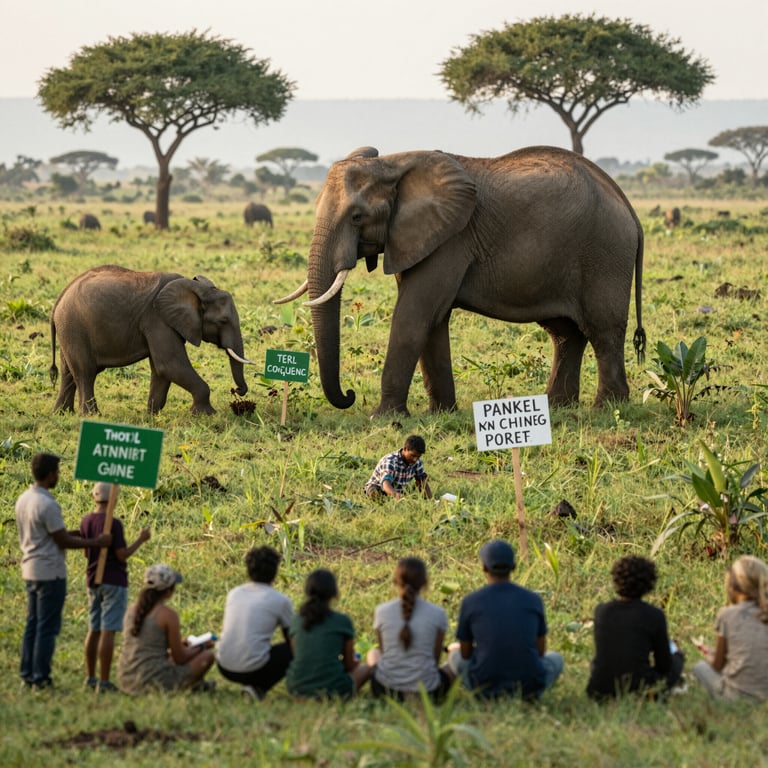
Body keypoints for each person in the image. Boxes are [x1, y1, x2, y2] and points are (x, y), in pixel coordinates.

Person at [15, 452, 112, 690]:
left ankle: (27, 675)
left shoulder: (24, 499)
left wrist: (84, 533)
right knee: (47, 628)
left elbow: (54, 534)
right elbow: (62, 541)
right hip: (50, 573)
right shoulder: (48, 504)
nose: (59, 476)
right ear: (49, 475)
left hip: (30, 570)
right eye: (57, 472)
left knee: (32, 625)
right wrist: (95, 543)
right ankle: (41, 678)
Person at [448, 539, 563, 699]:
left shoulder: (471, 601)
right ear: (514, 567)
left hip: (484, 685)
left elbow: (466, 654)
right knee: (556, 658)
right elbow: (541, 651)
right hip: (528, 684)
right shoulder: (533, 599)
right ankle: (529, 693)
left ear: (484, 568)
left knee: (454, 656)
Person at [80, 482, 150, 693]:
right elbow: (121, 555)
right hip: (114, 581)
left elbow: (86, 552)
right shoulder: (113, 524)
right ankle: (104, 681)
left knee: (94, 629)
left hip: (93, 580)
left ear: (94, 496)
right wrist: (141, 540)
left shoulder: (86, 521)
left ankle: (90, 677)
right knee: (108, 630)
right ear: (114, 498)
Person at [586, 555, 684, 700]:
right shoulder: (654, 615)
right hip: (639, 688)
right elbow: (664, 665)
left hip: (598, 689)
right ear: (649, 583)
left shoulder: (601, 611)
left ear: (616, 581)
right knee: (677, 658)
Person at [117, 563, 215, 694]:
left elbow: (148, 647)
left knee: (171, 658)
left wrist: (181, 645)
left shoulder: (131, 610)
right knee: (207, 656)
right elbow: (180, 658)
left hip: (127, 679)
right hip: (154, 680)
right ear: (169, 591)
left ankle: (197, 685)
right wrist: (201, 647)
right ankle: (191, 685)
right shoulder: (168, 615)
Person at [366, 557, 453, 701]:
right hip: (428, 692)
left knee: (373, 653)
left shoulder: (381, 611)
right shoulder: (438, 614)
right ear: (425, 583)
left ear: (395, 581)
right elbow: (434, 659)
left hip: (385, 690)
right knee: (454, 664)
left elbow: (384, 653)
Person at [216, 546, 294, 700]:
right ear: (275, 572)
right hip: (254, 669)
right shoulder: (280, 600)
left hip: (223, 665)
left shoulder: (234, 593)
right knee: (292, 649)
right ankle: (258, 688)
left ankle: (254, 687)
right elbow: (292, 638)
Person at [692, 555, 768, 701]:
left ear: (733, 585)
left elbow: (718, 666)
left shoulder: (727, 615)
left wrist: (710, 657)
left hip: (737, 697)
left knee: (700, 667)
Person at [285, 569, 370, 699]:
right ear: (334, 592)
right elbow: (350, 664)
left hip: (296, 686)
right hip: (333, 689)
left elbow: (296, 656)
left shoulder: (296, 620)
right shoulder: (342, 621)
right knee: (367, 667)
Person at [364, 434, 432, 500]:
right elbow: (385, 484)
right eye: (413, 455)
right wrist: (396, 495)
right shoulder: (390, 461)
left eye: (418, 457)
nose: (415, 459)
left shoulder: (417, 462)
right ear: (405, 449)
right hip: (380, 488)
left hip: (400, 490)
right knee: (375, 493)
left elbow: (423, 481)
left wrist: (430, 499)